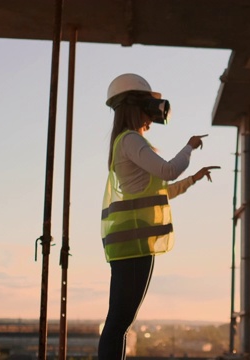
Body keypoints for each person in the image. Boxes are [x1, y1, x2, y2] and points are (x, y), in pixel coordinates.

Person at [98, 73, 219, 359]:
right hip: (134, 242)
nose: (153, 119)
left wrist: (194, 179)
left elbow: (161, 190)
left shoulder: (129, 142)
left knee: (121, 322)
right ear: (135, 107)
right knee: (119, 322)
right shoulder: (130, 140)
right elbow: (168, 170)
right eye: (149, 111)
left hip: (136, 242)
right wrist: (189, 146)